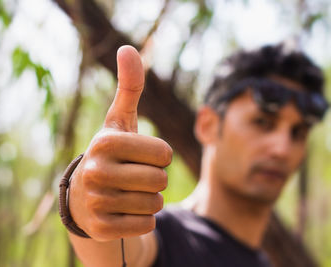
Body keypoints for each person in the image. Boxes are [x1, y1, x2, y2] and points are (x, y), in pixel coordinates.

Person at [59, 44, 328, 267]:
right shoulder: (161, 237)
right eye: (263, 122)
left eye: (298, 133)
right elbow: (121, 251)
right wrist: (80, 201)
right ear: (208, 125)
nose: (282, 148)